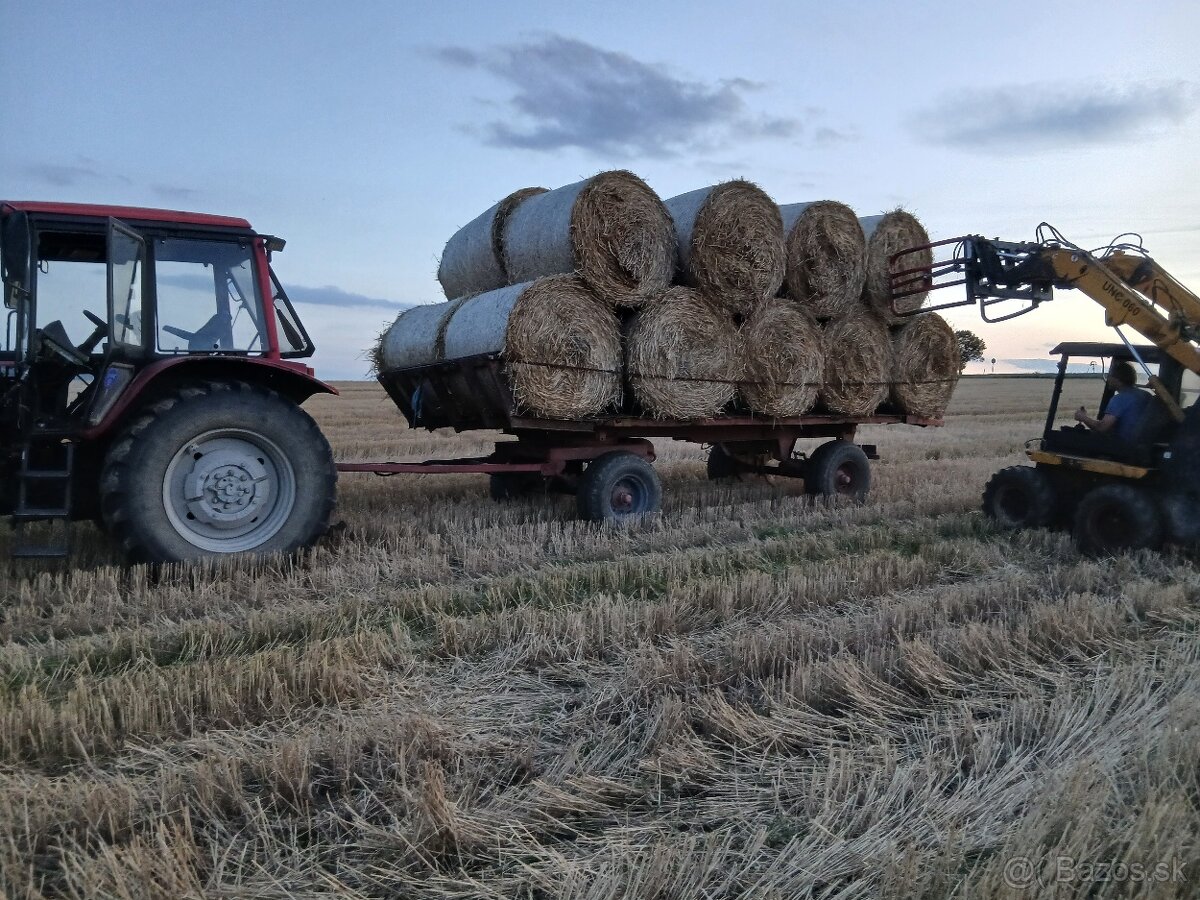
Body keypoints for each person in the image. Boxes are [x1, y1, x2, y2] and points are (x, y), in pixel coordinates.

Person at [1074, 360, 1151, 441]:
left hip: (1124, 446)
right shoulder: (1146, 395)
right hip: (1140, 443)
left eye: (1110, 376)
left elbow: (1102, 427)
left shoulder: (1120, 399)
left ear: (1118, 379)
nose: (1108, 379)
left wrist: (1083, 417)